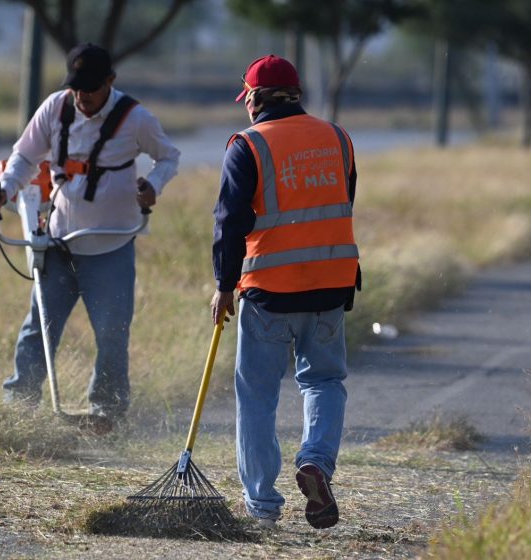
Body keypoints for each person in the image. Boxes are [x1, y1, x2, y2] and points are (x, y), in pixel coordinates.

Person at [0, 43, 180, 421]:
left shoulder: (134, 118)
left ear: (110, 81)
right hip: (59, 243)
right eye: (76, 87)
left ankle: (106, 411)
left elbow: (169, 156)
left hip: (111, 245)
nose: (82, 96)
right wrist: (3, 189)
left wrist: (154, 183)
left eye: (90, 88)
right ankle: (20, 406)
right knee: (38, 328)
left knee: (111, 334)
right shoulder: (56, 108)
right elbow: (24, 158)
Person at [210, 55, 360, 530]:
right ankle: (315, 460)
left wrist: (223, 285)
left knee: (257, 396)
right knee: (324, 381)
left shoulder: (247, 145)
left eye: (247, 98)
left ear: (254, 98)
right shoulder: (338, 138)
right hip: (331, 286)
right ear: (295, 94)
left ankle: (262, 506)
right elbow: (343, 200)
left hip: (269, 290)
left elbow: (229, 224)